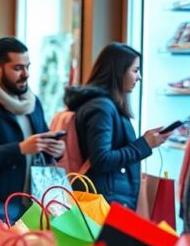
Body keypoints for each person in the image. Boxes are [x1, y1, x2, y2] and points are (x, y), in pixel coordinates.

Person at [0, 37, 65, 221]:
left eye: (27, 67)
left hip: (33, 204)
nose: (26, 74)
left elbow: (40, 144)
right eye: (17, 68)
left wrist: (55, 150)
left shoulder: (32, 102)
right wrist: (20, 149)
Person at [64, 42, 172, 209]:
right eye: (135, 70)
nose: (139, 77)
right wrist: (144, 144)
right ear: (118, 71)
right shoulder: (102, 108)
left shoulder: (103, 105)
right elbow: (101, 159)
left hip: (106, 197)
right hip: (106, 202)